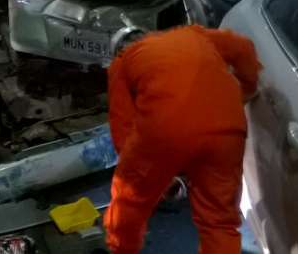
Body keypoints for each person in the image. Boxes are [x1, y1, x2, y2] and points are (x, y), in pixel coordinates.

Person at [104, 25, 261, 254]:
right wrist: (246, 88)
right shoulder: (192, 35)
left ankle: (121, 249)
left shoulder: (122, 62)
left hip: (168, 131)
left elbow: (123, 131)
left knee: (128, 201)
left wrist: (160, 181)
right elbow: (244, 47)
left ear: (119, 50)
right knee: (218, 220)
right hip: (226, 129)